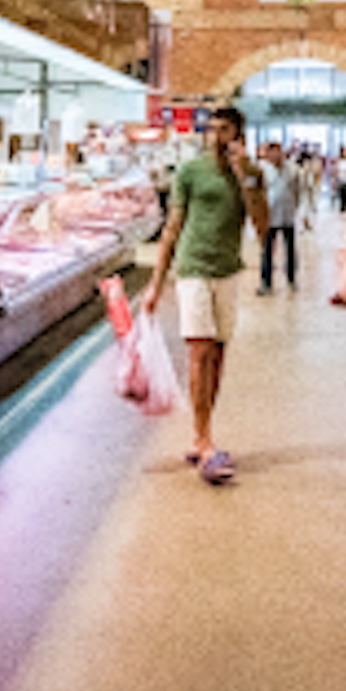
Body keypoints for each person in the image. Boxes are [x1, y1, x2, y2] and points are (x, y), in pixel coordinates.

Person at [141, 104, 272, 481]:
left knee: (217, 353)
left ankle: (204, 430)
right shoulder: (190, 171)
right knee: (199, 350)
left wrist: (244, 176)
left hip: (228, 271)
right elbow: (172, 226)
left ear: (239, 134)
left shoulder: (252, 174)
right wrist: (155, 283)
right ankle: (202, 438)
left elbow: (262, 228)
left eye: (224, 129)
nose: (215, 136)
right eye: (211, 129)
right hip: (193, 269)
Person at [257, 139, 308, 293]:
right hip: (269, 216)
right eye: (269, 152)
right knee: (267, 250)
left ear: (281, 152)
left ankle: (292, 279)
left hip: (288, 215)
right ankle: (266, 283)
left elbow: (300, 191)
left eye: (275, 151)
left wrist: (301, 211)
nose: (272, 155)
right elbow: (260, 193)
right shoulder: (264, 171)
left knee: (290, 249)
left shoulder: (294, 170)